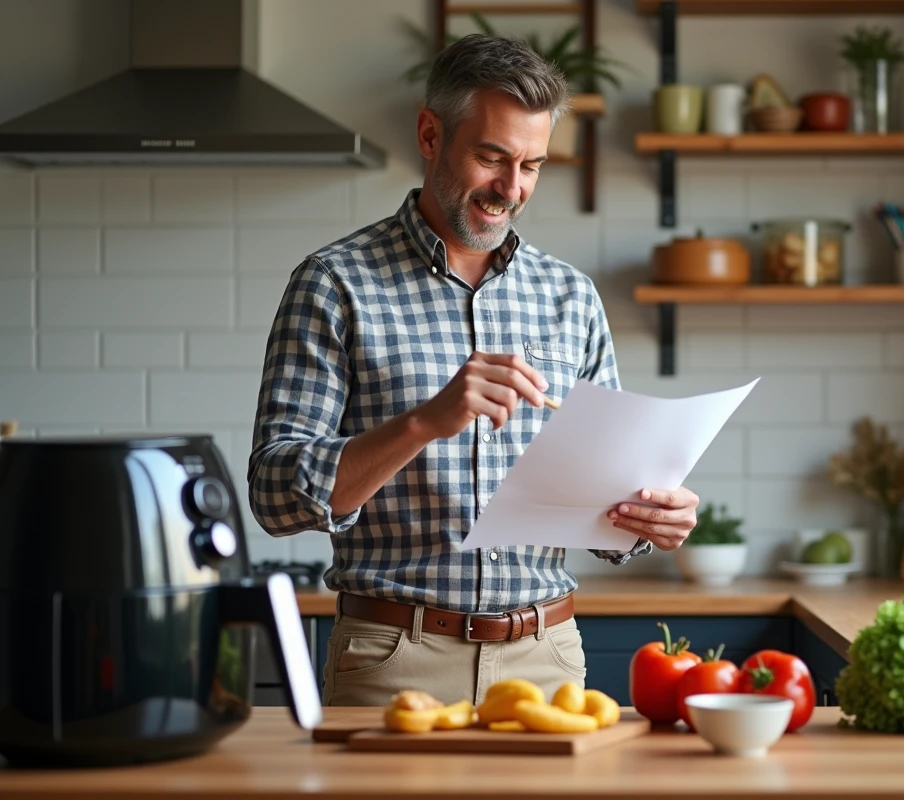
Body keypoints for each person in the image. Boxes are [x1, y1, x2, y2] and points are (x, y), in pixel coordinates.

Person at [247, 33, 700, 708]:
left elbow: (604, 498)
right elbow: (276, 496)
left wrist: (649, 518)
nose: (511, 189)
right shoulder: (335, 284)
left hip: (548, 658)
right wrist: (426, 422)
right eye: (492, 157)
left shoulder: (569, 297)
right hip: (394, 658)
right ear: (431, 135)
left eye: (532, 165)